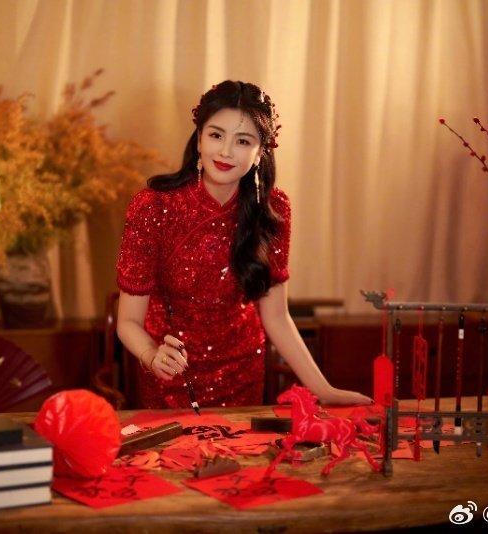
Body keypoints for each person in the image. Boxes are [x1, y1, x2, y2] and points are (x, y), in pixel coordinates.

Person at [116, 80, 371, 409]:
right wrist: (151, 355)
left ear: (260, 151)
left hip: (242, 373)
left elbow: (277, 317)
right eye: (216, 135)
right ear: (199, 139)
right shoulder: (154, 206)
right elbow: (128, 322)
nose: (225, 151)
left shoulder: (273, 209)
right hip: (169, 370)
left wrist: (324, 390)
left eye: (243, 141)